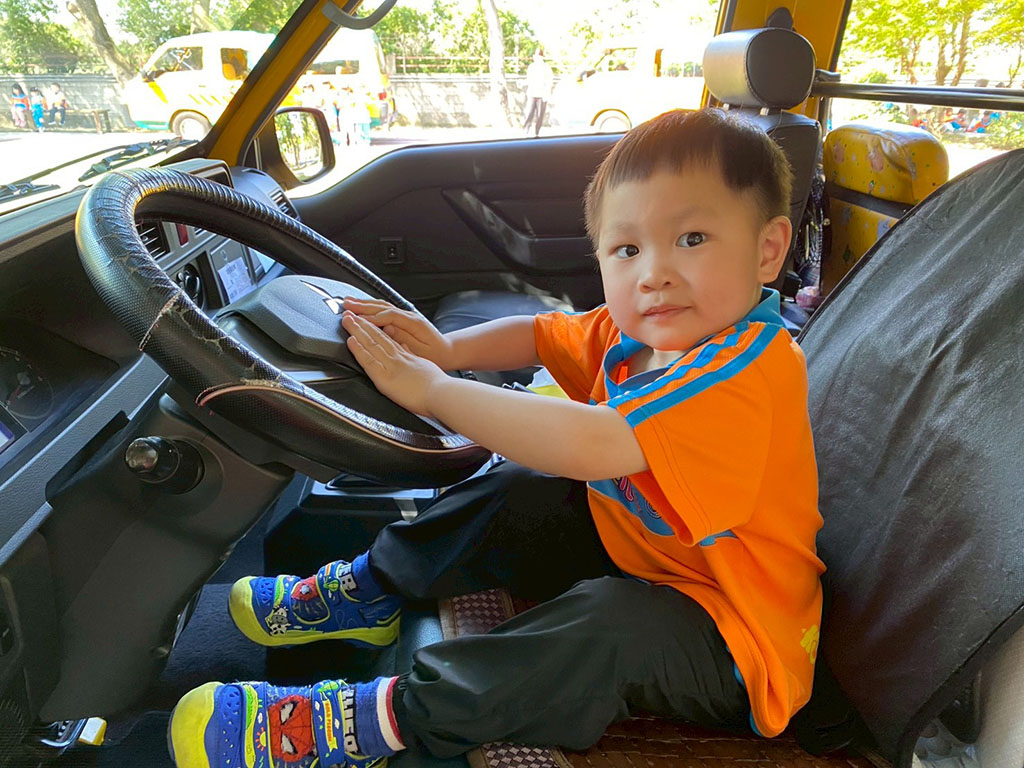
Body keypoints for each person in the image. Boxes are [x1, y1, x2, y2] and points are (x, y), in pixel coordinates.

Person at [167, 108, 824, 768]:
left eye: (692, 238)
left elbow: (598, 442)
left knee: (611, 624)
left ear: (768, 250)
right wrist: (447, 350)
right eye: (627, 250)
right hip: (654, 557)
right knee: (521, 487)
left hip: (734, 642)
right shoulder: (638, 337)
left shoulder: (748, 369)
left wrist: (431, 390)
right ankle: (376, 588)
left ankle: (387, 718)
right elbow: (541, 333)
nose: (654, 273)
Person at [522, 48, 554, 137]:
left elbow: (549, 81)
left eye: (539, 56)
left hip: (542, 95)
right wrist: (523, 83)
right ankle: (526, 130)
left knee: (540, 115)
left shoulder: (546, 67)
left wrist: (547, 93)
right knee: (529, 112)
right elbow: (529, 79)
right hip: (532, 93)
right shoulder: (531, 67)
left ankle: (537, 132)